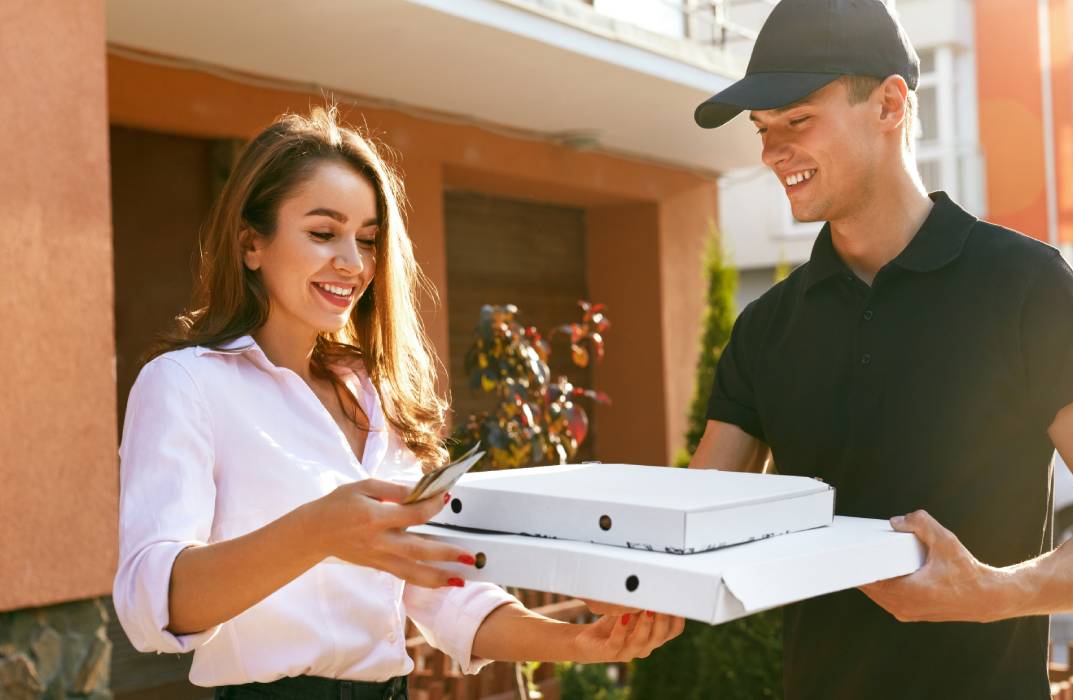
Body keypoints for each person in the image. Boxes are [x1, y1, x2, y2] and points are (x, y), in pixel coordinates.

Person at [113, 107, 683, 699]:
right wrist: (318, 530)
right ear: (251, 243)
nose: (353, 264)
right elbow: (150, 604)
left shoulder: (371, 392)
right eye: (322, 232)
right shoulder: (185, 384)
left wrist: (575, 642)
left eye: (367, 240)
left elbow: (437, 589)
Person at [688, 0, 1073, 697]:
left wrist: (996, 592)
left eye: (796, 121)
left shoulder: (1026, 288)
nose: (771, 152)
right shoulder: (766, 328)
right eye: (763, 130)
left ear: (889, 105)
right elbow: (701, 526)